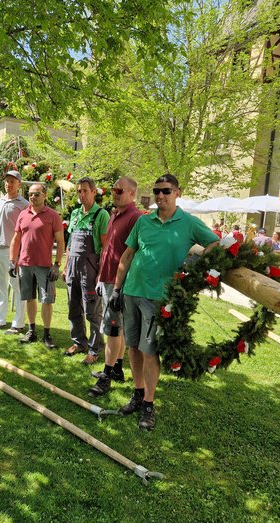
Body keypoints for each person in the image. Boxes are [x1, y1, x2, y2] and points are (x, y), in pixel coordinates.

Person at [111, 174, 219, 430]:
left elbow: (214, 242)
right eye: (157, 191)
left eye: (166, 191)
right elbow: (127, 255)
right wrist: (117, 289)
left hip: (159, 298)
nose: (160, 195)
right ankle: (138, 394)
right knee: (133, 348)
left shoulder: (189, 223)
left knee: (150, 352)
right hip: (131, 291)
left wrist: (196, 264)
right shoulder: (144, 221)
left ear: (177, 193)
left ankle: (148, 404)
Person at [89, 176, 142, 397]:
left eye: (119, 191)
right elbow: (108, 250)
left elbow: (133, 254)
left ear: (132, 194)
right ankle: (118, 368)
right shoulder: (114, 215)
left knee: (112, 328)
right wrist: (101, 276)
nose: (115, 193)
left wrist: (119, 287)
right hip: (108, 279)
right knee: (115, 327)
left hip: (122, 283)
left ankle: (107, 376)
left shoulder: (136, 218)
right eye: (113, 190)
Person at [9, 183, 65, 349]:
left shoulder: (53, 216)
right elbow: (16, 239)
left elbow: (61, 242)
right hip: (25, 264)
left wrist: (57, 264)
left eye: (37, 194)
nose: (33, 197)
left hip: (44, 266)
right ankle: (32, 331)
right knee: (29, 298)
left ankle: (47, 334)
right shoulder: (23, 214)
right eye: (31, 194)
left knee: (47, 300)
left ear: (45, 195)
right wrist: (13, 261)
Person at [62, 177, 110, 364]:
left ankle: (94, 349)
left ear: (93, 191)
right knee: (73, 307)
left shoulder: (101, 215)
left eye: (85, 191)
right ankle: (78, 342)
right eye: (79, 191)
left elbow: (105, 248)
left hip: (90, 268)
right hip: (73, 267)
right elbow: (69, 243)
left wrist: (100, 273)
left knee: (92, 311)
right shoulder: (74, 214)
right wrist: (66, 266)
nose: (81, 194)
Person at [0, 170, 28, 332]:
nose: (8, 184)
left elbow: (25, 231)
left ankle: (18, 324)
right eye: (6, 181)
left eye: (12, 181)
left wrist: (19, 255)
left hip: (12, 252)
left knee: (17, 288)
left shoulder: (23, 204)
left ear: (19, 184)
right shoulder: (0, 201)